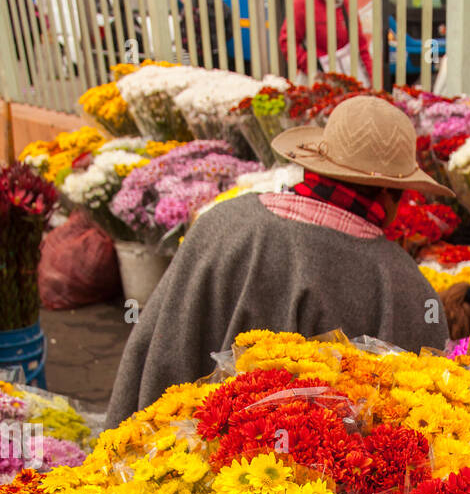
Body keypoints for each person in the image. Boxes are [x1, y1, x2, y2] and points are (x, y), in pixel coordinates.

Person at [105, 97, 449, 426]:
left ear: (315, 165)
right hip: (314, 487)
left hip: (174, 472)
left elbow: (152, 351)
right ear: (392, 194)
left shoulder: (221, 224)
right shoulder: (405, 287)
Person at [278, 0, 372, 84]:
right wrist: (312, 66)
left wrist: (371, 79)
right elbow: (287, 41)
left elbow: (360, 45)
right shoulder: (303, 3)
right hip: (317, 83)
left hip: (346, 80)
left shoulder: (345, 3)